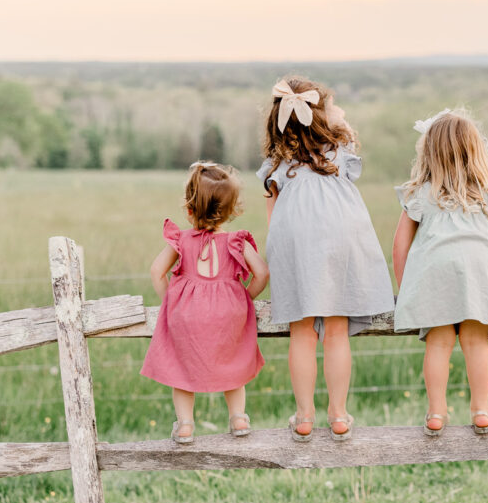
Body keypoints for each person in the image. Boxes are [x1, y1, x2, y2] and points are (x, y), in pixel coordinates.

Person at [258, 76, 394, 441]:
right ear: (322, 118)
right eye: (333, 108)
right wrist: (337, 119)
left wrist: (282, 259)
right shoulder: (339, 153)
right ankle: (338, 413)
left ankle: (304, 415)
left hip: (293, 242)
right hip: (341, 239)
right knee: (335, 332)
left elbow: (274, 221)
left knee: (301, 333)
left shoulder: (277, 165)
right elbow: (345, 126)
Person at [392, 109, 488, 436]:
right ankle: (481, 409)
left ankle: (436, 412)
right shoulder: (486, 191)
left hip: (434, 272)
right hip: (478, 270)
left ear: (428, 152)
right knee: (475, 342)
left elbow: (401, 245)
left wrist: (406, 288)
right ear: (476, 151)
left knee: (438, 344)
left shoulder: (419, 193)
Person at [141, 162, 268, 444]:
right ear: (231, 209)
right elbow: (262, 273)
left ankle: (185, 425)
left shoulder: (180, 241)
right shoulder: (236, 241)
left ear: (189, 209)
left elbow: (155, 271)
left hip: (185, 313)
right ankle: (238, 418)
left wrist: (170, 302)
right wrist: (245, 298)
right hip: (229, 312)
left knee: (181, 368)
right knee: (233, 364)